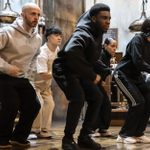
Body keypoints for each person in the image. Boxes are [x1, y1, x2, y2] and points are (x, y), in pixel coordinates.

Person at [52, 3, 111, 150]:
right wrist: (92, 75)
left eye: (109, 18)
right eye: (104, 18)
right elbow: (71, 54)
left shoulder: (97, 34)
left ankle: (84, 137)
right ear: (93, 18)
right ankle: (67, 140)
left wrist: (105, 70)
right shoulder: (83, 33)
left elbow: (90, 58)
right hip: (64, 68)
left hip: (78, 69)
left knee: (97, 97)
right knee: (77, 98)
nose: (108, 21)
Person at [0, 2, 41, 148]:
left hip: (21, 77)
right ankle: (2, 138)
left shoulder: (37, 38)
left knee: (34, 105)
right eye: (32, 14)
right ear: (22, 15)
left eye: (38, 14)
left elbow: (35, 57)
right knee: (11, 104)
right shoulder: (6, 32)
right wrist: (7, 68)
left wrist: (28, 72)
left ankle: (18, 137)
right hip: (3, 76)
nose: (36, 17)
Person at [113, 17, 150, 144]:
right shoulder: (137, 40)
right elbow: (138, 62)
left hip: (135, 76)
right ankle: (124, 135)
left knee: (148, 100)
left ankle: (138, 133)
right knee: (137, 102)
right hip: (122, 75)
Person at [31, 26, 62, 138]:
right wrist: (59, 74)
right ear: (48, 37)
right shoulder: (42, 53)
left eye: (60, 35)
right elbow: (43, 74)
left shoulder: (57, 50)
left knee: (50, 104)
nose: (59, 38)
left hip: (46, 85)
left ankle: (44, 130)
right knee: (39, 104)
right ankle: (35, 130)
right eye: (56, 35)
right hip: (34, 84)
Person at [91, 37, 117, 138]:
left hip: (97, 83)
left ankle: (102, 128)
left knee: (105, 103)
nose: (114, 49)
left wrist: (102, 81)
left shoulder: (107, 56)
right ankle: (91, 129)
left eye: (115, 46)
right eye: (112, 46)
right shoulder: (100, 54)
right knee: (98, 102)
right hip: (91, 81)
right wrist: (109, 69)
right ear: (105, 46)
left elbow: (103, 72)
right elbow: (98, 65)